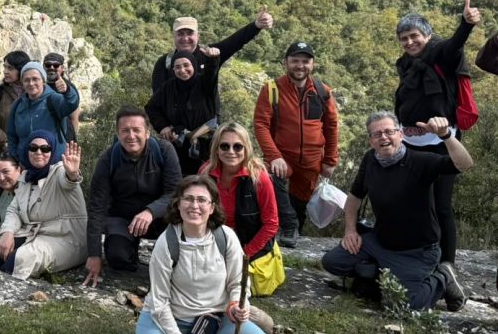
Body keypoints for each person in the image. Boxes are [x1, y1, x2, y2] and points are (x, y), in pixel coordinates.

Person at [135, 175, 270, 334]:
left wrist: (237, 303)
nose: (194, 206)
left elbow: (238, 281)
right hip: (166, 318)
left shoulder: (226, 237)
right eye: (188, 199)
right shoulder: (166, 242)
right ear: (178, 204)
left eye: (201, 200)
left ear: (212, 206)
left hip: (213, 319)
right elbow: (159, 301)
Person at [322, 113, 472, 311]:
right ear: (371, 141)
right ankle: (380, 275)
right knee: (332, 262)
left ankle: (443, 276)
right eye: (377, 134)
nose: (383, 137)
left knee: (405, 305)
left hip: (417, 251)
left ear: (400, 134)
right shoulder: (370, 160)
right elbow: (354, 197)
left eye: (389, 132)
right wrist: (350, 231)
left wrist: (446, 136)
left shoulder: (421, 162)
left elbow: (465, 164)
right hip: (380, 242)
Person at [393, 0, 480, 265]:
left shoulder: (442, 52)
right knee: (415, 203)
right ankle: (421, 256)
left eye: (414, 36)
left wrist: (466, 24)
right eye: (404, 38)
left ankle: (447, 266)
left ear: (427, 35)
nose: (409, 42)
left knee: (441, 205)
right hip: (410, 142)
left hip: (442, 141)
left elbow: (455, 44)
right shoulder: (405, 63)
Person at [253, 41, 339, 246]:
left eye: (305, 61)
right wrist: (274, 156)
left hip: (311, 161)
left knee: (299, 205)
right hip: (282, 156)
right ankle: (287, 227)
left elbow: (331, 126)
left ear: (313, 64)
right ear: (285, 63)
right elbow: (261, 125)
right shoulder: (272, 89)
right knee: (275, 189)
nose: (300, 66)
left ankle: (292, 235)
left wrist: (330, 160)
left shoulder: (322, 91)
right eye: (295, 61)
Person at [84, 108, 181, 285]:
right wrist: (94, 254)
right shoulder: (108, 159)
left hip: (158, 218)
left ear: (147, 132)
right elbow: (97, 207)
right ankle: (130, 253)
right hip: (123, 219)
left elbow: (175, 193)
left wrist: (150, 211)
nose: (131, 136)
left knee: (175, 258)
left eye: (136, 130)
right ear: (118, 133)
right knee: (117, 259)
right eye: (125, 130)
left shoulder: (164, 151)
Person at [0, 133, 87, 279]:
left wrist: (73, 174)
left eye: (45, 148)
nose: (38, 152)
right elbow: (14, 210)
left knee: (18, 260)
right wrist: (8, 232)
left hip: (65, 238)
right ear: (27, 151)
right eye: (33, 148)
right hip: (37, 234)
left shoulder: (60, 171)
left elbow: (69, 182)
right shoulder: (26, 177)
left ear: (53, 150)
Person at [202, 124, 283, 310]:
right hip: (216, 242)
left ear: (246, 148)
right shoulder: (205, 174)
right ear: (216, 148)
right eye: (224, 146)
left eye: (237, 146)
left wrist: (244, 253)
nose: (231, 151)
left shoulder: (259, 178)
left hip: (249, 245)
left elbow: (271, 224)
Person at [151, 10, 273, 94]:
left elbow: (235, 41)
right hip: (174, 129)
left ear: (198, 35)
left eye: (190, 33)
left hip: (208, 127)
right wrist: (164, 127)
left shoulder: (210, 55)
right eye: (180, 34)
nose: (185, 38)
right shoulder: (164, 62)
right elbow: (158, 97)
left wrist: (256, 25)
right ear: (174, 36)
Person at [146, 48, 221, 175]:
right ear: (173, 70)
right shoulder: (168, 87)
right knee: (180, 183)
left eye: (186, 65)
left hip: (207, 146)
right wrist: (162, 126)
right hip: (178, 145)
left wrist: (212, 59)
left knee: (206, 182)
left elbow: (211, 73)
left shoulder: (205, 83)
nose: (182, 70)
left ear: (194, 65)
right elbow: (151, 107)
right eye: (177, 67)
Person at [5, 62, 80, 164]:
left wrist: (67, 91)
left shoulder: (53, 99)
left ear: (43, 81)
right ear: (22, 82)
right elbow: (11, 135)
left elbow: (71, 103)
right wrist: (15, 157)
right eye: (26, 80)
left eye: (35, 79)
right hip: (27, 166)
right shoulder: (18, 105)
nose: (31, 83)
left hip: (53, 164)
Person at [0, 50, 30, 155]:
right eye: (5, 67)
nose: (5, 71)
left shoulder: (33, 92)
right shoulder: (0, 92)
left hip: (29, 152)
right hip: (3, 152)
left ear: (21, 70)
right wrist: (5, 142)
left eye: (10, 68)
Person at [42, 53, 81, 140]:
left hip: (63, 137)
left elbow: (74, 117)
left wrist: (72, 140)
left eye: (56, 65)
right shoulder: (38, 86)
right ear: (43, 66)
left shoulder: (69, 88)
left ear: (62, 68)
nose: (51, 67)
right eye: (48, 65)